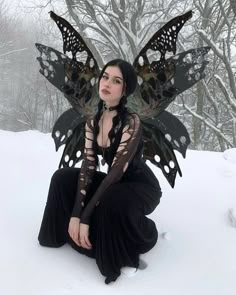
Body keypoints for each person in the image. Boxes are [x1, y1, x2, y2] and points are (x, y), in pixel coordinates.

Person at [38, 59, 162, 284]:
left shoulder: (131, 122)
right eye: (105, 77)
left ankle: (146, 232)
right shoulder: (92, 122)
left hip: (141, 186)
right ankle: (66, 232)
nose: (107, 83)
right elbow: (88, 166)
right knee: (62, 177)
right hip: (117, 184)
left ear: (124, 90)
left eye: (116, 81)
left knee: (111, 199)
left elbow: (115, 173)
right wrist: (76, 214)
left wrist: (85, 217)